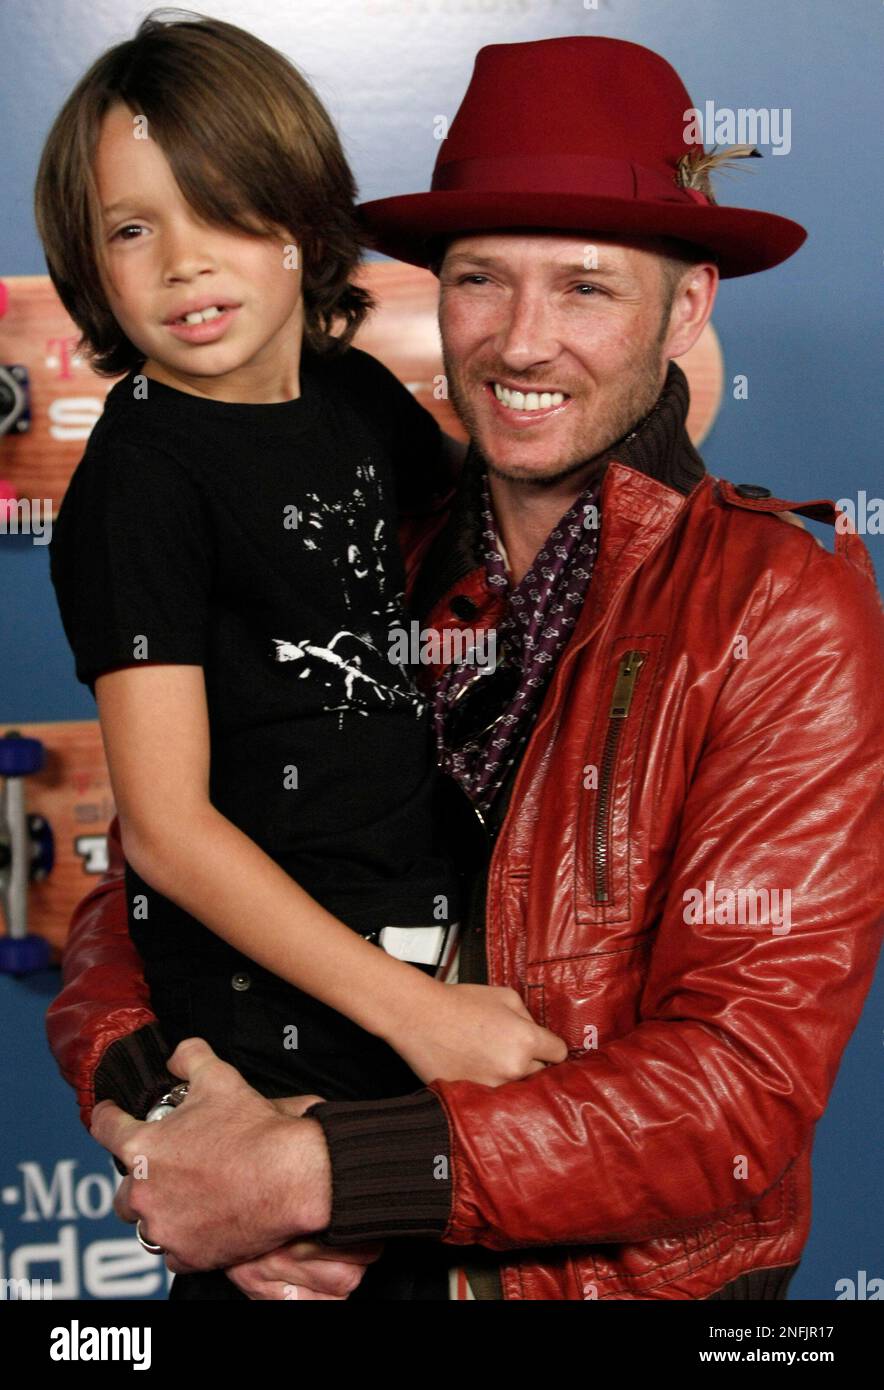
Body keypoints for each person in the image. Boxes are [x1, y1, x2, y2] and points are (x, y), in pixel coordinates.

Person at [49, 35, 884, 1301]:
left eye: (587, 289)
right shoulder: (361, 522)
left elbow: (736, 1087)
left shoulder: (779, 611)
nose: (523, 343)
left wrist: (324, 1173)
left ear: (689, 309)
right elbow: (145, 888)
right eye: (482, 279)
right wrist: (170, 1125)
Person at [38, 14, 567, 1302]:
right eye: (130, 228)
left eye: (218, 210)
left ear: (298, 222)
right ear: (89, 265)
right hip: (281, 1027)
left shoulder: (355, 401)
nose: (179, 263)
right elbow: (163, 831)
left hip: (413, 968)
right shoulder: (138, 479)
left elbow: (501, 554)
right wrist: (416, 1010)